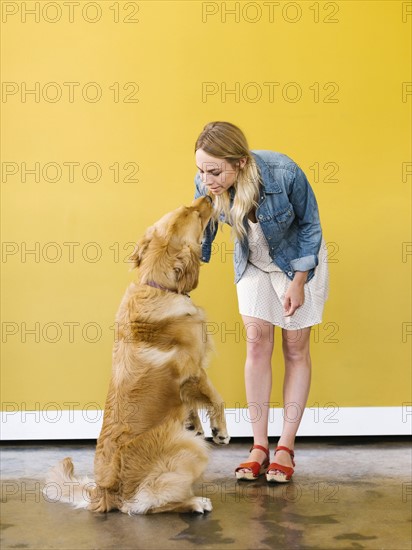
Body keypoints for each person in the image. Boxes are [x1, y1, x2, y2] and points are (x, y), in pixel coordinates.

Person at [193, 121, 329, 483]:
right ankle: (259, 446)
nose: (207, 180)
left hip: (296, 259)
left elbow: (311, 226)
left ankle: (285, 446)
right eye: (201, 170)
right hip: (253, 259)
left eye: (214, 171)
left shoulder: (283, 171)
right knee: (256, 343)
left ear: (239, 162)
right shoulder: (207, 182)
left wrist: (299, 281)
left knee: (295, 348)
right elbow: (202, 232)